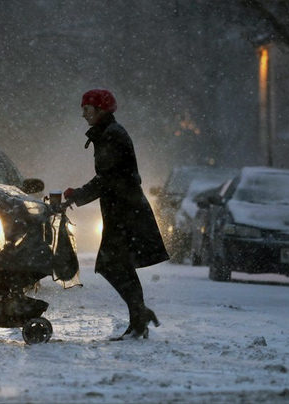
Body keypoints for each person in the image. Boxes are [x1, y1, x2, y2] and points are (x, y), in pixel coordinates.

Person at [62, 88, 169, 340]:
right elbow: (107, 178)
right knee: (119, 265)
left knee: (112, 265)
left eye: (86, 108)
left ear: (100, 109)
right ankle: (138, 319)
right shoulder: (108, 133)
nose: (82, 114)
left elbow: (107, 178)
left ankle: (139, 316)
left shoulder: (112, 135)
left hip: (125, 211)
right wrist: (78, 194)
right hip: (123, 208)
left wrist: (77, 195)